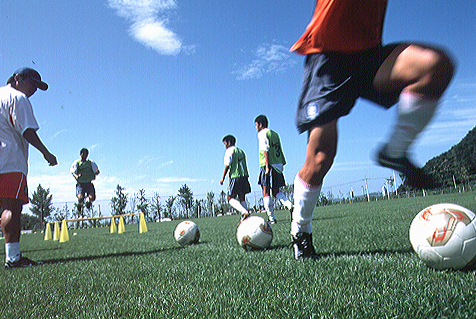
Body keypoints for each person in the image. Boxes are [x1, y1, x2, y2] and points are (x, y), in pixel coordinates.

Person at [289, 0, 455, 260]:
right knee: (320, 158)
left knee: (435, 66)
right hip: (327, 56)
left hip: (369, 57)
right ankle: (301, 231)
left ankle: (395, 152)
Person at [0, 67, 57, 268]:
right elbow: (27, 130)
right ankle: (13, 258)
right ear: (17, 78)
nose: (33, 89)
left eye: (36, 86)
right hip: (10, 162)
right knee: (11, 208)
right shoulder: (18, 98)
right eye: (31, 83)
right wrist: (46, 152)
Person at [254, 115, 293, 224]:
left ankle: (271, 219)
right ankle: (290, 206)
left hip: (268, 165)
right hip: (278, 165)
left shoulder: (262, 133)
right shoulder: (275, 134)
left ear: (260, 124)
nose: (256, 128)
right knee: (276, 192)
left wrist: (266, 166)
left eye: (256, 125)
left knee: (265, 192)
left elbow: (265, 150)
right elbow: (279, 149)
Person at [220, 135, 252, 222]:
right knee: (242, 197)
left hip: (235, 176)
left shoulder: (229, 151)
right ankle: (245, 220)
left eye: (225, 143)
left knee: (230, 198)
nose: (225, 145)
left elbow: (227, 164)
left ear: (229, 142)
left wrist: (222, 178)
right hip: (244, 175)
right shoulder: (241, 151)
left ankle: (244, 212)